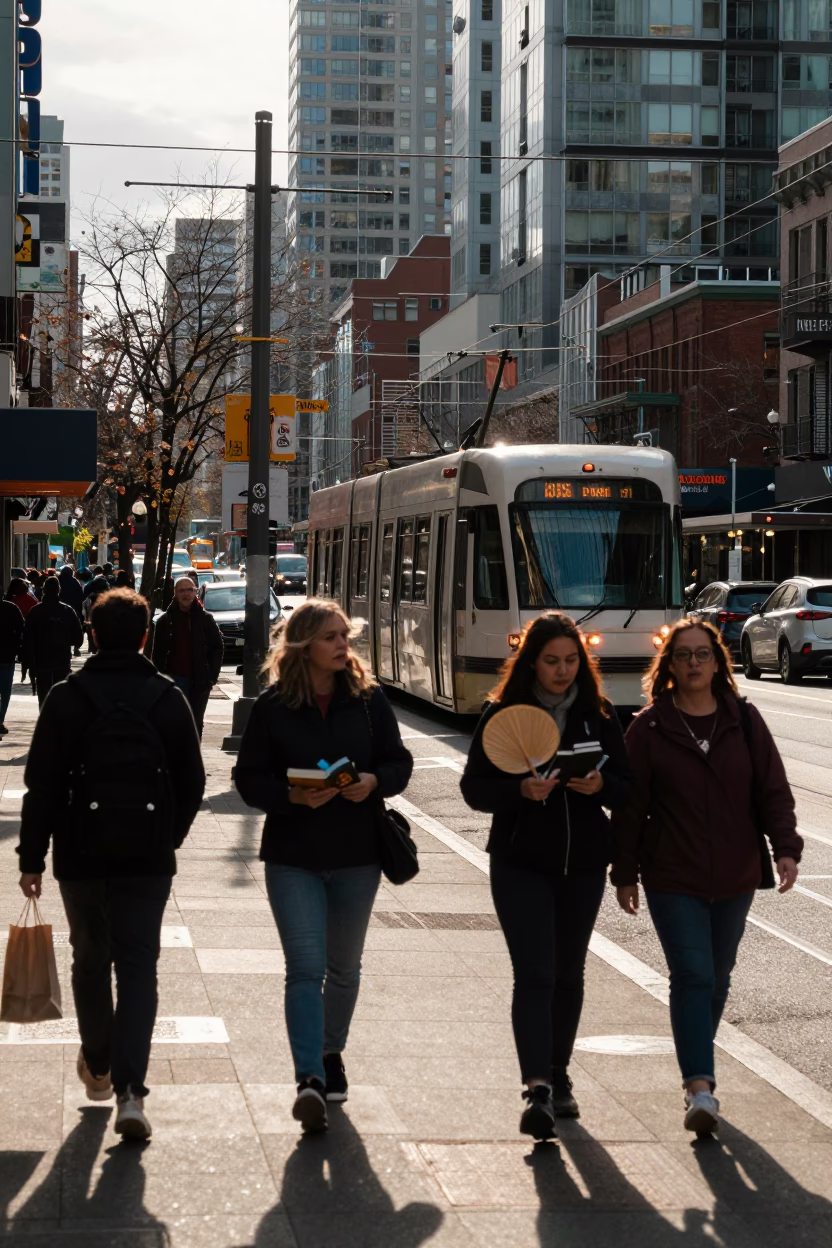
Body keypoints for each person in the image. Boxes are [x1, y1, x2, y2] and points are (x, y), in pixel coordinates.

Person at [17, 588, 206, 1141]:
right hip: (148, 856)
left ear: (92, 633)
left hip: (80, 853)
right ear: (147, 634)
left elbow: (42, 786)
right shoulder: (167, 696)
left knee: (90, 959)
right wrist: (166, 836)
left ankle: (98, 1062)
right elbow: (193, 782)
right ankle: (131, 1093)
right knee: (140, 967)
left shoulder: (66, 697)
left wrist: (32, 858)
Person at [611, 619, 802, 1137]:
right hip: (672, 875)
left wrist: (785, 848)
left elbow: (772, 791)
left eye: (703, 654)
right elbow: (630, 810)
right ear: (669, 666)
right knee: (693, 976)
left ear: (718, 662)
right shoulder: (649, 728)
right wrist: (624, 872)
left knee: (717, 979)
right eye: (683, 655)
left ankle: (697, 1067)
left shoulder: (745, 720)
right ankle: (700, 1087)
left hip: (736, 873)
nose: (694, 663)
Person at [235, 599, 413, 1133]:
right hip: (294, 856)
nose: (343, 645)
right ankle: (309, 1076)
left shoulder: (367, 700)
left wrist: (373, 782)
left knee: (344, 968)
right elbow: (249, 780)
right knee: (305, 969)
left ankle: (331, 1052)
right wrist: (292, 795)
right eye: (332, 637)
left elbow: (398, 762)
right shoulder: (272, 707)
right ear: (303, 644)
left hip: (358, 855)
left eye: (345, 637)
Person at [459, 612, 632, 1142]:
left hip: (581, 863)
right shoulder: (502, 712)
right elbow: (474, 788)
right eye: (552, 661)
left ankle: (559, 1077)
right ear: (532, 662)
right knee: (534, 974)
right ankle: (536, 1088)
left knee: (568, 974)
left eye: (571, 661)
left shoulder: (598, 714)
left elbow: (628, 788)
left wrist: (600, 784)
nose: (562, 671)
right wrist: (519, 793)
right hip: (520, 862)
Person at [150, 577, 222, 739]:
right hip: (174, 679)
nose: (186, 594)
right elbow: (157, 653)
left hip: (200, 681)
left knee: (195, 721)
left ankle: (193, 759)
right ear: (175, 593)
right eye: (182, 590)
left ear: (196, 592)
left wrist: (212, 677)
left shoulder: (205, 619)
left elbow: (217, 648)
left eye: (190, 590)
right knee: (174, 721)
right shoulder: (165, 621)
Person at [21, 576, 84, 707]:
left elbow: (27, 638)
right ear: (58, 590)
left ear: (44, 591)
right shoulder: (67, 611)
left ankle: (45, 721)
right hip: (61, 660)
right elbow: (78, 638)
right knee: (61, 694)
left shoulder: (35, 611)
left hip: (41, 660)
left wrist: (27, 662)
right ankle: (58, 722)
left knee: (43, 695)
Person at [0, 593, 24, 735]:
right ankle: (0, 719)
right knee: (5, 690)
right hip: (6, 655)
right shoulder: (11, 608)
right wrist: (18, 647)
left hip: (7, 654)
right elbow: (21, 630)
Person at [58, 565, 85, 656]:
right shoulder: (75, 582)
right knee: (74, 628)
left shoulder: (58, 580)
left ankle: (67, 649)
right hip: (74, 609)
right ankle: (76, 648)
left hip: (59, 609)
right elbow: (81, 597)